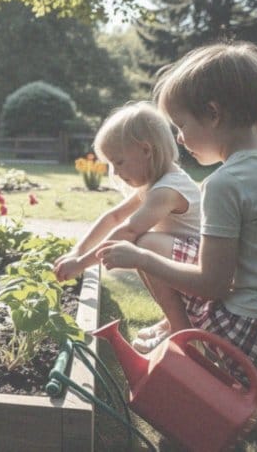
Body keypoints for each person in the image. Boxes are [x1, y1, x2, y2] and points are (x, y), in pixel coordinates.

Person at [95, 41, 257, 430]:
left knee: (148, 252)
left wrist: (140, 260)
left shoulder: (226, 182)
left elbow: (212, 284)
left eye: (182, 125)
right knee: (153, 242)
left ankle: (238, 391)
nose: (181, 139)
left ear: (213, 113)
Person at [53, 102, 201, 353]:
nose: (116, 172)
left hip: (201, 267)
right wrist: (77, 251)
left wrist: (81, 264)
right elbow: (113, 217)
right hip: (185, 259)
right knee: (143, 248)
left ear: (146, 150)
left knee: (143, 244)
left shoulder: (167, 189)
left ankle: (183, 335)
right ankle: (173, 321)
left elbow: (128, 231)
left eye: (119, 162)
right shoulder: (156, 183)